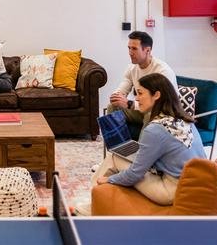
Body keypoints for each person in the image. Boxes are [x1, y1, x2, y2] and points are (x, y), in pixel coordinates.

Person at [77, 73, 206, 215]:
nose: (136, 99)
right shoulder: (184, 119)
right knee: (121, 154)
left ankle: (92, 205)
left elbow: (135, 174)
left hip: (171, 191)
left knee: (115, 157)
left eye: (140, 93)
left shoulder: (155, 129)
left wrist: (110, 179)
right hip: (194, 185)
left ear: (156, 95)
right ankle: (94, 201)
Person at [108, 31, 178, 129]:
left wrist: (129, 104)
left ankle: (143, 144)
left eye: (134, 49)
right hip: (142, 110)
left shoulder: (162, 71)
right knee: (113, 106)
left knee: (150, 114)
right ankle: (117, 143)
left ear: (147, 50)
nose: (130, 53)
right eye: (129, 48)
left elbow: (161, 105)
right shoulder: (132, 68)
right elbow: (121, 90)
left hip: (163, 113)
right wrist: (116, 97)